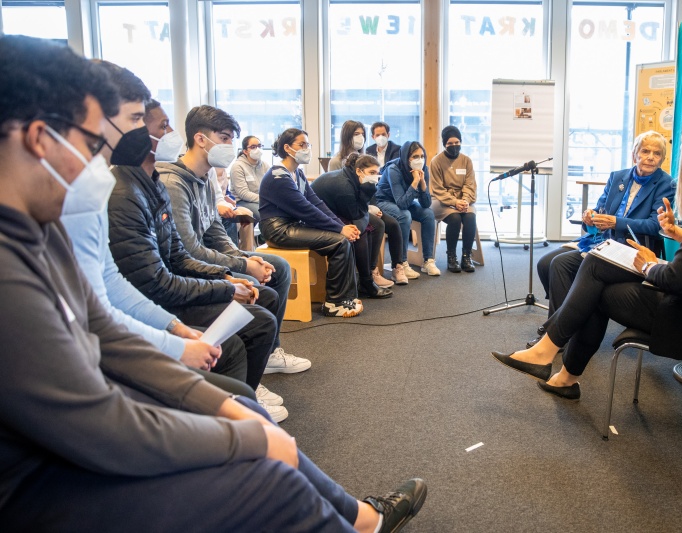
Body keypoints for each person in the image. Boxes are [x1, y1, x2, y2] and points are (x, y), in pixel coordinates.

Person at [0, 35, 427, 532]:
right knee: (268, 475)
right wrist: (243, 438)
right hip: (35, 482)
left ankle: (362, 521)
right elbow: (95, 421)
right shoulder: (13, 266)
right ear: (37, 139)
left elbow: (105, 331)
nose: (99, 165)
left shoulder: (40, 232)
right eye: (92, 145)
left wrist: (220, 406)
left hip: (70, 440)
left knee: (242, 412)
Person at [492, 107, 682, 401]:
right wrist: (679, 234)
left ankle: (550, 356)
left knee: (596, 277)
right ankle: (558, 370)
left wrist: (650, 266)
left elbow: (675, 278)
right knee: (596, 267)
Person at [59, 65, 255, 402]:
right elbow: (106, 307)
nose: (148, 130)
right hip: (90, 364)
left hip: (114, 334)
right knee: (240, 400)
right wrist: (175, 340)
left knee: (244, 404)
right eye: (136, 118)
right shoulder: (109, 191)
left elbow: (110, 283)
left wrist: (175, 329)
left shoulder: (103, 183)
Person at [105, 94, 279, 412]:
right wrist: (228, 282)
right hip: (158, 301)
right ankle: (238, 408)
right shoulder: (129, 192)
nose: (171, 134)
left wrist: (233, 272)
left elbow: (180, 254)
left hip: (169, 288)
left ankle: (242, 402)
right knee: (247, 331)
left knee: (259, 303)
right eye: (164, 126)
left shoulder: (152, 185)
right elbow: (156, 280)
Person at [157, 104, 311, 381]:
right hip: (187, 269)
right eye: (225, 138)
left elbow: (216, 233)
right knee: (262, 290)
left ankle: (270, 353)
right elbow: (188, 250)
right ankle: (252, 366)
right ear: (201, 139)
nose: (230, 145)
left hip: (203, 257)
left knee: (277, 266)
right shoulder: (174, 183)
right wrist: (242, 265)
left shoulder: (204, 179)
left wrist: (247, 258)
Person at [528, 130, 675, 348]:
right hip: (602, 242)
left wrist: (617, 222)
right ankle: (568, 323)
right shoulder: (618, 177)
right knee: (545, 263)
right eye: (645, 151)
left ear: (662, 159)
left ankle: (556, 334)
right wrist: (590, 216)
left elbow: (655, 226)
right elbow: (600, 210)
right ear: (635, 154)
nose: (650, 157)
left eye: (657, 153)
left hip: (634, 251)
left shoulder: (666, 184)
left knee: (560, 264)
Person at [259, 128, 364, 317]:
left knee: (342, 238)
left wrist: (342, 226)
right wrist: (340, 228)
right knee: (339, 242)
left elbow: (317, 203)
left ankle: (344, 297)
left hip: (291, 225)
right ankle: (334, 302)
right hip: (277, 229)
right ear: (287, 147)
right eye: (302, 144)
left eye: (308, 145)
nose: (307, 148)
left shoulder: (297, 174)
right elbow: (306, 210)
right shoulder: (278, 176)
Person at [312, 153, 393, 299]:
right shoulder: (345, 186)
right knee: (359, 233)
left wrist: (366, 199)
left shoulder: (354, 178)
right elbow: (357, 214)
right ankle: (366, 282)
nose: (375, 177)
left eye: (377, 173)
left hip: (335, 209)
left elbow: (361, 212)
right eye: (371, 173)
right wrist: (367, 192)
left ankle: (369, 272)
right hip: (318, 217)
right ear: (358, 171)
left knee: (378, 225)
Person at [375, 140, 441, 277]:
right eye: (415, 157)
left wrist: (422, 184)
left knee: (428, 214)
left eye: (422, 156)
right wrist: (415, 181)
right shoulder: (394, 169)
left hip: (404, 201)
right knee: (405, 215)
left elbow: (426, 204)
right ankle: (401, 263)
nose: (420, 160)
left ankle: (428, 261)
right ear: (406, 157)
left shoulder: (424, 170)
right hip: (384, 201)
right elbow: (402, 204)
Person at [429, 125, 478, 273]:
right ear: (445, 144)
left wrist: (465, 201)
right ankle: (451, 257)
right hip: (440, 200)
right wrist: (454, 202)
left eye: (457, 142)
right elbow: (437, 189)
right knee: (455, 218)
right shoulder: (436, 161)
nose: (454, 146)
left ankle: (466, 256)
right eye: (450, 143)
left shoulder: (467, 161)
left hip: (463, 200)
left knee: (470, 216)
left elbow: (470, 184)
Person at [229, 134, 267, 221]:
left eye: (259, 146)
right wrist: (265, 200)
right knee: (264, 213)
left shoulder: (265, 165)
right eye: (253, 147)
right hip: (242, 201)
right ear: (245, 151)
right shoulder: (237, 166)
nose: (257, 149)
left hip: (261, 200)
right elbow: (243, 193)